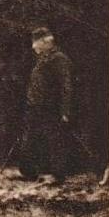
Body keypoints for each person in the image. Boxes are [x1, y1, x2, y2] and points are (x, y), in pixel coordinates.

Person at [18, 26, 73, 183]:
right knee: (31, 139)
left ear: (45, 41)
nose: (33, 46)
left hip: (50, 108)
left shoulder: (59, 59)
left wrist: (65, 111)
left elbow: (66, 86)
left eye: (36, 42)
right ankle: (30, 172)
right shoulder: (43, 59)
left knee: (54, 141)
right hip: (35, 107)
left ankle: (57, 175)